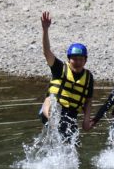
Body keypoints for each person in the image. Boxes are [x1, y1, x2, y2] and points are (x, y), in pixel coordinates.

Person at [39, 11, 94, 143]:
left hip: (71, 115)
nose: (78, 62)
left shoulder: (88, 77)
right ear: (69, 60)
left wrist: (86, 119)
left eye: (81, 59)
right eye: (74, 59)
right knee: (51, 101)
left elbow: (88, 100)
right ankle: (49, 115)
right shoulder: (59, 68)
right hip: (53, 108)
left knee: (72, 145)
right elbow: (47, 52)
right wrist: (45, 30)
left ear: (85, 60)